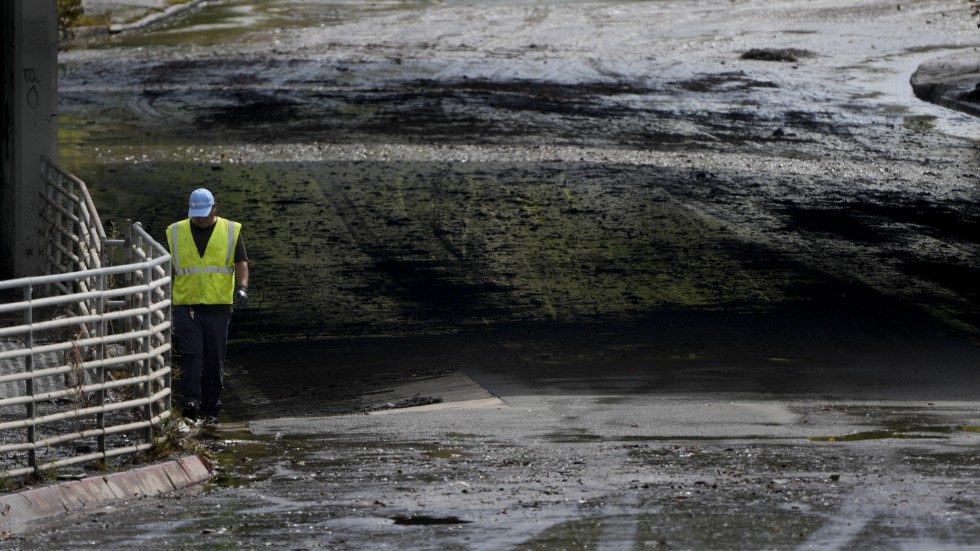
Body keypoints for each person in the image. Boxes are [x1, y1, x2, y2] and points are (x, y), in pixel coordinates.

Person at [166, 188, 249, 425]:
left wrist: (242, 288)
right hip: (186, 304)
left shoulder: (230, 230)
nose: (200, 219)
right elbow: (168, 266)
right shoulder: (175, 231)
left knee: (214, 358)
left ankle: (211, 406)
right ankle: (190, 402)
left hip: (219, 306)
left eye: (204, 213)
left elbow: (241, 262)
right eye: (196, 214)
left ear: (215, 208)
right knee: (192, 354)